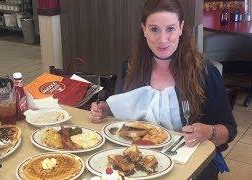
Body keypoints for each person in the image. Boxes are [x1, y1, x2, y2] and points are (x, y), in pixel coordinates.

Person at [90, 0, 237, 179]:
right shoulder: (130, 66)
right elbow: (123, 112)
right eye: (154, 29)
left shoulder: (205, 71)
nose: (162, 39)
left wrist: (209, 132)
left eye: (170, 29)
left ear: (181, 28)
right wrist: (106, 109)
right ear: (144, 29)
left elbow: (229, 130)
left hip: (187, 161)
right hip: (136, 158)